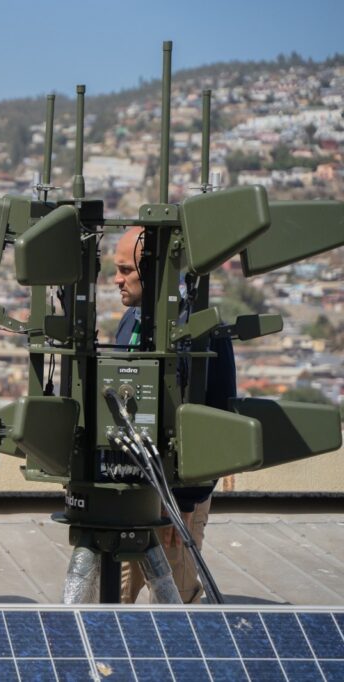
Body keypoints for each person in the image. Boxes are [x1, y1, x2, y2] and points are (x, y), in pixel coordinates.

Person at [113, 226, 236, 603]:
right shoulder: (131, 321)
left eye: (125, 271)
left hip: (176, 499)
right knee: (111, 601)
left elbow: (215, 423)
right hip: (131, 493)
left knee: (173, 606)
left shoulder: (201, 332)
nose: (117, 280)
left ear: (150, 269)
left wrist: (183, 504)